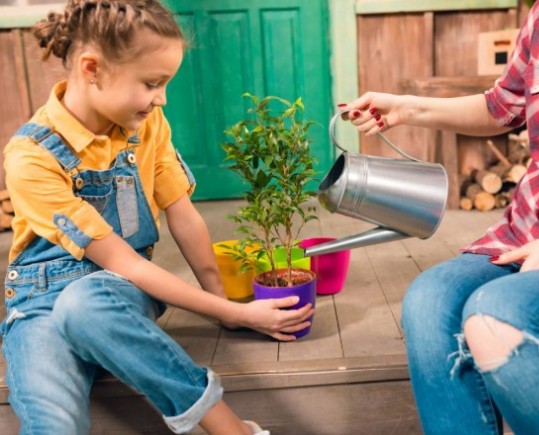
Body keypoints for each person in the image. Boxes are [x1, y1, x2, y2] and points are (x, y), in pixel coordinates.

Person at [0, 0, 314, 433]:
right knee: (52, 422)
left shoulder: (146, 126)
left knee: (84, 304)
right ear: (92, 69)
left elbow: (182, 214)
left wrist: (223, 305)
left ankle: (231, 429)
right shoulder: (29, 157)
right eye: (152, 83)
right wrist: (242, 314)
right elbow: (125, 258)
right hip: (39, 304)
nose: (161, 98)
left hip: (116, 292)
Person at [340, 1, 539, 434]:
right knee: (429, 300)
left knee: (498, 309)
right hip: (527, 232)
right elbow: (502, 105)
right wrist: (406, 109)